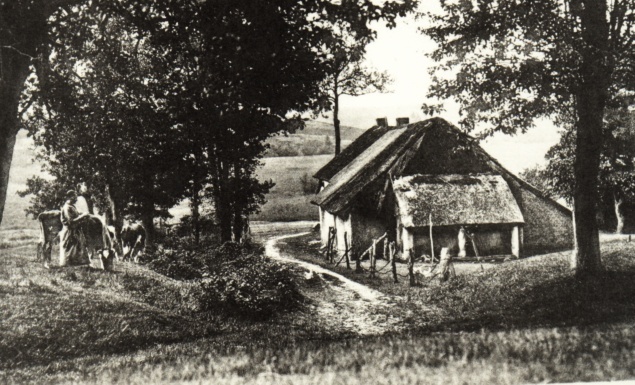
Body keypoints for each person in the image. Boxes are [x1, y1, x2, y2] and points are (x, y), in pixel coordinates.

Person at [59, 190, 89, 266]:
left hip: (75, 230)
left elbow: (75, 215)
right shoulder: (67, 208)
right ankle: (69, 266)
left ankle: (77, 265)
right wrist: (83, 216)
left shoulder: (72, 206)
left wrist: (80, 214)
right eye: (75, 197)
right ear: (70, 197)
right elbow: (70, 221)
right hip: (70, 232)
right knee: (70, 248)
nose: (76, 199)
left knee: (78, 247)